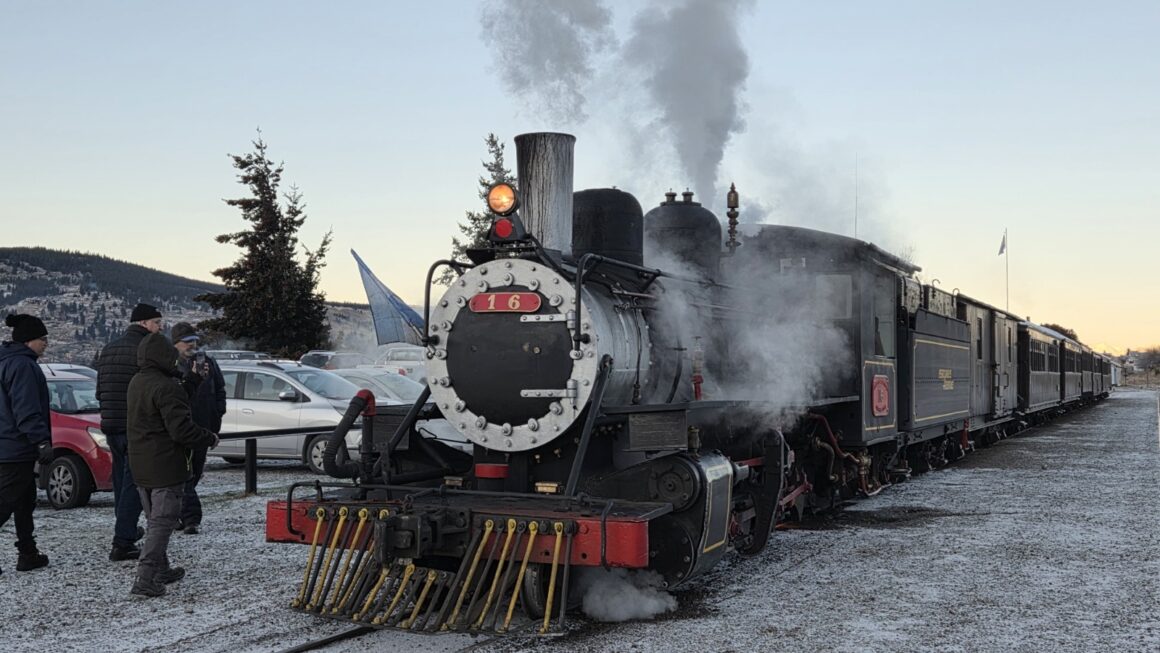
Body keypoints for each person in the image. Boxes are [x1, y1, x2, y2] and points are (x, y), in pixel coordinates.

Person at [127, 333, 218, 597]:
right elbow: (182, 431)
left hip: (142, 463)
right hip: (165, 465)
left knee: (155, 520)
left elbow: (170, 403)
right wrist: (209, 438)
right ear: (164, 356)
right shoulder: (166, 386)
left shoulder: (139, 382)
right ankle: (145, 578)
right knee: (162, 522)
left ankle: (161, 569)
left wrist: (192, 381)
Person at [95, 302, 163, 561]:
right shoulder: (145, 350)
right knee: (135, 484)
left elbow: (100, 391)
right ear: (144, 323)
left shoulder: (109, 350)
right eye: (157, 323)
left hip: (111, 425)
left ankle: (125, 530)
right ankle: (122, 541)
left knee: (121, 482)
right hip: (135, 427)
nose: (159, 329)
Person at [0, 314, 53, 574]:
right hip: (15, 448)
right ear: (29, 340)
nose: (46, 344)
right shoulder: (23, 366)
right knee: (6, 503)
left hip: (7, 445)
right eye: (42, 339)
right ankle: (27, 552)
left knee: (24, 501)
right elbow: (27, 408)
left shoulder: (6, 362)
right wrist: (41, 440)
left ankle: (28, 553)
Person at [170, 322, 225, 535]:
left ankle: (183, 515)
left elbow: (219, 389)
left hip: (204, 426)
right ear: (176, 344)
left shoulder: (208, 363)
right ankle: (189, 517)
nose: (192, 345)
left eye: (194, 340)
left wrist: (217, 415)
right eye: (187, 342)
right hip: (180, 427)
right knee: (182, 474)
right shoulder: (170, 365)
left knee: (194, 473)